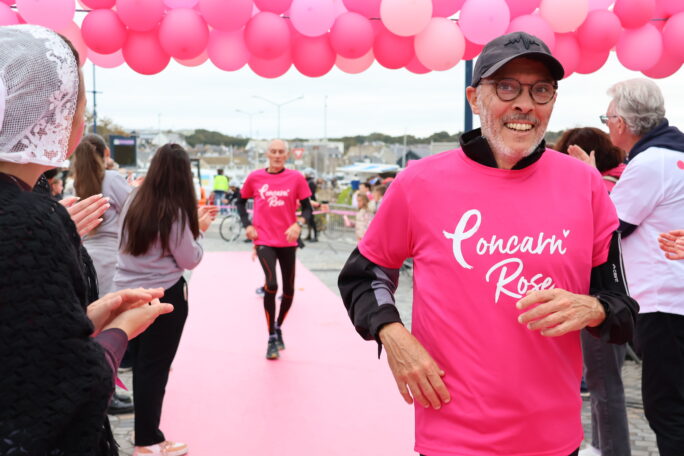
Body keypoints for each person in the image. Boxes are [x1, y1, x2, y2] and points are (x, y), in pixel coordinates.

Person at [338, 31, 638, 456]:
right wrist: (392, 333)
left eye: (541, 91)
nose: (524, 104)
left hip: (552, 436)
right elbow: (362, 275)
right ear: (474, 98)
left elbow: (622, 310)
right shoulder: (419, 183)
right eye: (507, 87)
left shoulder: (585, 183)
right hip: (452, 434)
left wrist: (593, 307)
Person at [0, 24, 172, 455]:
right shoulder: (32, 220)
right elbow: (61, 389)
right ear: (56, 117)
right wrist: (119, 331)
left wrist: (88, 317)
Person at [114, 143, 217, 456]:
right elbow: (190, 259)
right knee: (154, 370)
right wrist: (199, 231)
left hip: (127, 293)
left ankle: (144, 436)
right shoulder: (175, 210)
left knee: (139, 365)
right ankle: (148, 441)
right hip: (163, 297)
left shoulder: (134, 198)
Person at [603, 78, 684, 456]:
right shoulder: (673, 154)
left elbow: (611, 228)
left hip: (661, 300)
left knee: (667, 410)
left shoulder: (649, 163)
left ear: (622, 122)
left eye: (607, 116)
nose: (605, 124)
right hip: (673, 296)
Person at [554, 128, 631, 456]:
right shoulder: (614, 181)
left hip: (601, 299)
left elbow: (606, 230)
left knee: (604, 385)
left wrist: (587, 175)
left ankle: (611, 450)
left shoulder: (603, 187)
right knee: (601, 383)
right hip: (599, 298)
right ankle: (601, 447)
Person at [237, 139, 314, 360]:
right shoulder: (255, 177)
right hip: (264, 240)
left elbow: (308, 209)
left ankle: (278, 326)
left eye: (281, 152)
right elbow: (240, 202)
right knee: (271, 284)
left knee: (288, 290)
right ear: (267, 154)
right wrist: (247, 225)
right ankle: (271, 336)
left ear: (287, 155)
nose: (277, 155)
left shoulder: (296, 178)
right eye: (273, 151)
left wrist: (298, 224)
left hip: (288, 241)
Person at [73, 134, 133, 297]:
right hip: (112, 256)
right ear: (106, 152)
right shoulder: (112, 178)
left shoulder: (77, 184)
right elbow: (134, 212)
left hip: (83, 255)